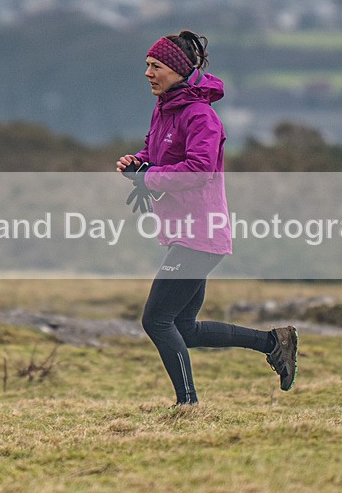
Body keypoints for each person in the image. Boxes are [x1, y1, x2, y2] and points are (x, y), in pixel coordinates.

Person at [116, 30, 297, 406]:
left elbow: (199, 170)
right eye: (147, 65)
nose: (147, 73)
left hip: (201, 234)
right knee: (184, 328)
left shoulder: (202, 117)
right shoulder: (165, 109)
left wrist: (148, 176)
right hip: (183, 232)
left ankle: (188, 405)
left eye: (156, 66)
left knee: (156, 321)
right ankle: (273, 342)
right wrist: (137, 162)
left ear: (178, 70)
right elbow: (155, 152)